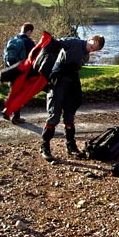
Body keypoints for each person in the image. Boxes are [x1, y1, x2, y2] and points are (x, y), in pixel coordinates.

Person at [39, 34, 105, 162]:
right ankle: (44, 146)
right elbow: (55, 44)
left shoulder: (86, 54)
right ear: (89, 39)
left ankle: (71, 146)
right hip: (58, 81)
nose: (91, 49)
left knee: (69, 115)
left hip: (72, 83)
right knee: (54, 115)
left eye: (94, 49)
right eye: (91, 46)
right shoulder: (73, 42)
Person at [3, 22, 35, 124]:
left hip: (11, 70)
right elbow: (35, 57)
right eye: (31, 32)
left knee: (13, 91)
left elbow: (4, 55)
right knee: (21, 94)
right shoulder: (28, 42)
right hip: (22, 72)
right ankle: (15, 116)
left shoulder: (12, 40)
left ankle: (8, 110)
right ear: (29, 31)